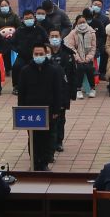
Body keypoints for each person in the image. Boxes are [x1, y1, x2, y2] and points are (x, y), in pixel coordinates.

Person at [14, 35, 71, 170]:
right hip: (31, 111)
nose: (38, 56)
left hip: (48, 110)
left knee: (46, 138)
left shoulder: (53, 71)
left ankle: (44, 163)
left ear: (46, 54)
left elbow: (58, 92)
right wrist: (21, 110)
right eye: (36, 54)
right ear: (32, 55)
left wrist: (56, 110)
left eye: (41, 54)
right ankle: (34, 162)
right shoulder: (25, 71)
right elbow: (21, 93)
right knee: (33, 138)